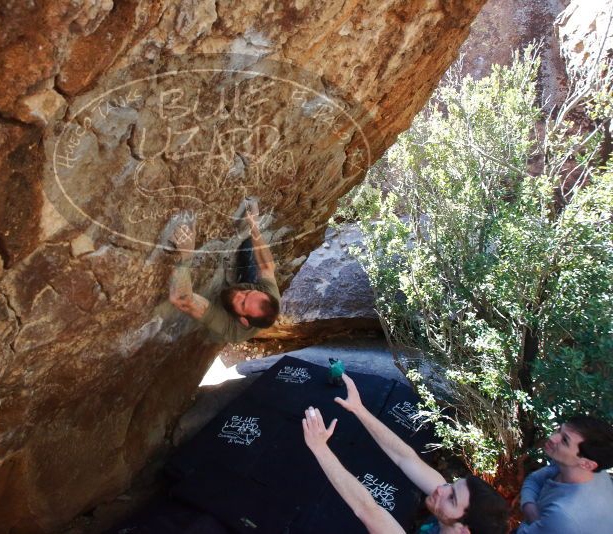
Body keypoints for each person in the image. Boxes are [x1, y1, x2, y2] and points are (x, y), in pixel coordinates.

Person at [302, 373, 509, 534]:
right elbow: (406, 458)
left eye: (452, 498)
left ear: (464, 531)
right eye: (452, 485)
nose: (441, 489)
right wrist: (359, 409)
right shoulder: (447, 507)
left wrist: (320, 448)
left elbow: (367, 510)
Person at [168, 202, 280, 343]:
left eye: (243, 303)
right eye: (247, 293)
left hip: (219, 322)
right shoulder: (270, 296)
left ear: (243, 320)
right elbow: (267, 267)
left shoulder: (231, 328)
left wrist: (186, 255)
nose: (239, 294)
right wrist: (253, 225)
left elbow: (182, 300)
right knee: (249, 248)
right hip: (250, 285)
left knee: (194, 305)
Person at [517, 415, 613, 533]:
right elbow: (533, 479)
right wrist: (532, 512)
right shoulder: (578, 467)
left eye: (565, 440)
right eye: (559, 430)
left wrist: (540, 522)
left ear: (587, 464)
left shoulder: (564, 515)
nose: (552, 438)